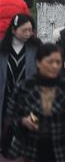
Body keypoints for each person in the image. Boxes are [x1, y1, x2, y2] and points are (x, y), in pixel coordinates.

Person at [6, 43, 65, 162]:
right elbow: (10, 117)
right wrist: (22, 121)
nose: (55, 66)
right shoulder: (24, 87)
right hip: (27, 152)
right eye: (50, 62)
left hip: (60, 153)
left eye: (58, 62)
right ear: (38, 62)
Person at [0, 13, 38, 155]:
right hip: (7, 99)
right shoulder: (3, 50)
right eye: (24, 30)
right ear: (13, 30)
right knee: (6, 135)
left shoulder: (36, 48)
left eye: (30, 30)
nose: (28, 33)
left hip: (30, 100)